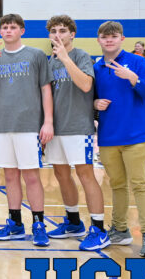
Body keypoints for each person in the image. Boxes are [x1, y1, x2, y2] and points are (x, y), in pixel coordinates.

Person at [0, 14, 52, 247]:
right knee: (10, 176)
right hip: (1, 125)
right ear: (0, 32)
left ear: (22, 30)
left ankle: (39, 224)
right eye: (4, 27)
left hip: (28, 125)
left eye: (13, 27)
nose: (8, 31)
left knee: (31, 176)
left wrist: (48, 121)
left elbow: (45, 89)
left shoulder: (36, 55)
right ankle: (15, 223)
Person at [44, 15, 110, 251]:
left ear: (72, 34)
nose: (58, 35)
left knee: (85, 175)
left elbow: (85, 85)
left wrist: (64, 57)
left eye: (62, 30)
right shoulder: (49, 63)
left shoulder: (81, 56)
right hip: (56, 129)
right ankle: (73, 222)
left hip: (78, 127)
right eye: (53, 31)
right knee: (61, 175)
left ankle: (99, 229)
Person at [93, 21, 145, 257]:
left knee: (140, 185)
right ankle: (120, 229)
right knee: (117, 185)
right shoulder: (97, 67)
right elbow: (91, 97)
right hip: (108, 136)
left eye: (113, 36)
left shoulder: (138, 62)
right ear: (99, 40)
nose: (109, 40)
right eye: (105, 37)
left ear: (122, 38)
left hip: (135, 135)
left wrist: (133, 79)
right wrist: (95, 103)